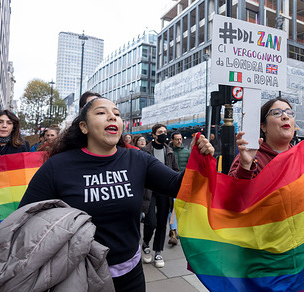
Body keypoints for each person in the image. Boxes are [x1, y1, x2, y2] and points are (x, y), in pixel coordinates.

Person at [19, 98, 214, 291]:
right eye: (101, 112)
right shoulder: (57, 166)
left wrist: (201, 158)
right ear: (83, 126)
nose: (112, 117)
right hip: (78, 279)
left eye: (117, 114)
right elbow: (25, 220)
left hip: (131, 277)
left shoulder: (137, 159)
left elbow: (179, 186)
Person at [0, 110, 29, 246]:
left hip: (10, 200)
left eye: (9, 123)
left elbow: (25, 172)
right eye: (0, 122)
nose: (4, 126)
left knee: (6, 237)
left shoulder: (21, 145)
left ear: (13, 127)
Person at [142, 124, 180, 267]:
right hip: (149, 191)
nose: (163, 134)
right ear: (154, 135)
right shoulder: (145, 151)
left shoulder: (169, 151)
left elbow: (175, 170)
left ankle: (158, 251)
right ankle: (146, 243)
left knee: (162, 223)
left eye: (165, 132)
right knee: (151, 222)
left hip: (165, 191)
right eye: (160, 132)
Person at [229, 97, 295, 179]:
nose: (285, 116)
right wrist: (245, 166)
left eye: (289, 113)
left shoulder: (302, 156)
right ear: (263, 126)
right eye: (277, 113)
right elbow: (232, 189)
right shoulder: (251, 155)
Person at [168, 131, 190, 245]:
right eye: (176, 139)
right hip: (172, 183)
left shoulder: (187, 152)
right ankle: (173, 231)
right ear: (172, 140)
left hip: (185, 184)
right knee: (173, 209)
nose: (179, 141)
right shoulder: (169, 152)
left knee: (181, 209)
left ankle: (177, 229)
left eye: (180, 139)